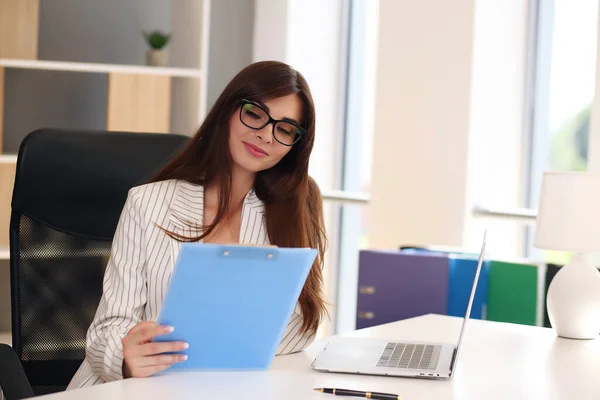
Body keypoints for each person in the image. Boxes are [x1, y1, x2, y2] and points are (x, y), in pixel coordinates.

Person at [67, 60, 328, 389]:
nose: (265, 135)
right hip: (135, 387)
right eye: (255, 114)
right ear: (228, 111)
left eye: (286, 129)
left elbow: (302, 324)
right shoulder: (148, 203)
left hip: (230, 389)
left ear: (295, 144)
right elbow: (108, 328)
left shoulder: (296, 207)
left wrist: (224, 353)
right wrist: (125, 357)